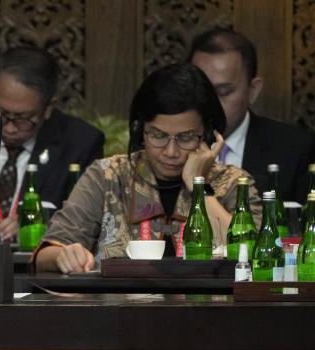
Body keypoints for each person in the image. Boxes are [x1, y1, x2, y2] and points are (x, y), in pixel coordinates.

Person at [35, 63, 261, 273]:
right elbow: (44, 254)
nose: (171, 151)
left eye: (186, 137)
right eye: (158, 135)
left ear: (209, 135)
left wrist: (199, 186)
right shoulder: (107, 176)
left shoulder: (234, 183)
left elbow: (254, 259)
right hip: (118, 312)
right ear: (139, 131)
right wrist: (62, 256)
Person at [0, 46, 104, 241]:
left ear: (49, 107)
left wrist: (37, 223)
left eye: (22, 119)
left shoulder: (80, 143)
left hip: (40, 263)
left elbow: (88, 218)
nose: (8, 128)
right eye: (1, 114)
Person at [189, 27, 315, 203]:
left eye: (223, 92)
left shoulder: (296, 150)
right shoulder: (170, 147)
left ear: (253, 90)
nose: (209, 104)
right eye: (200, 92)